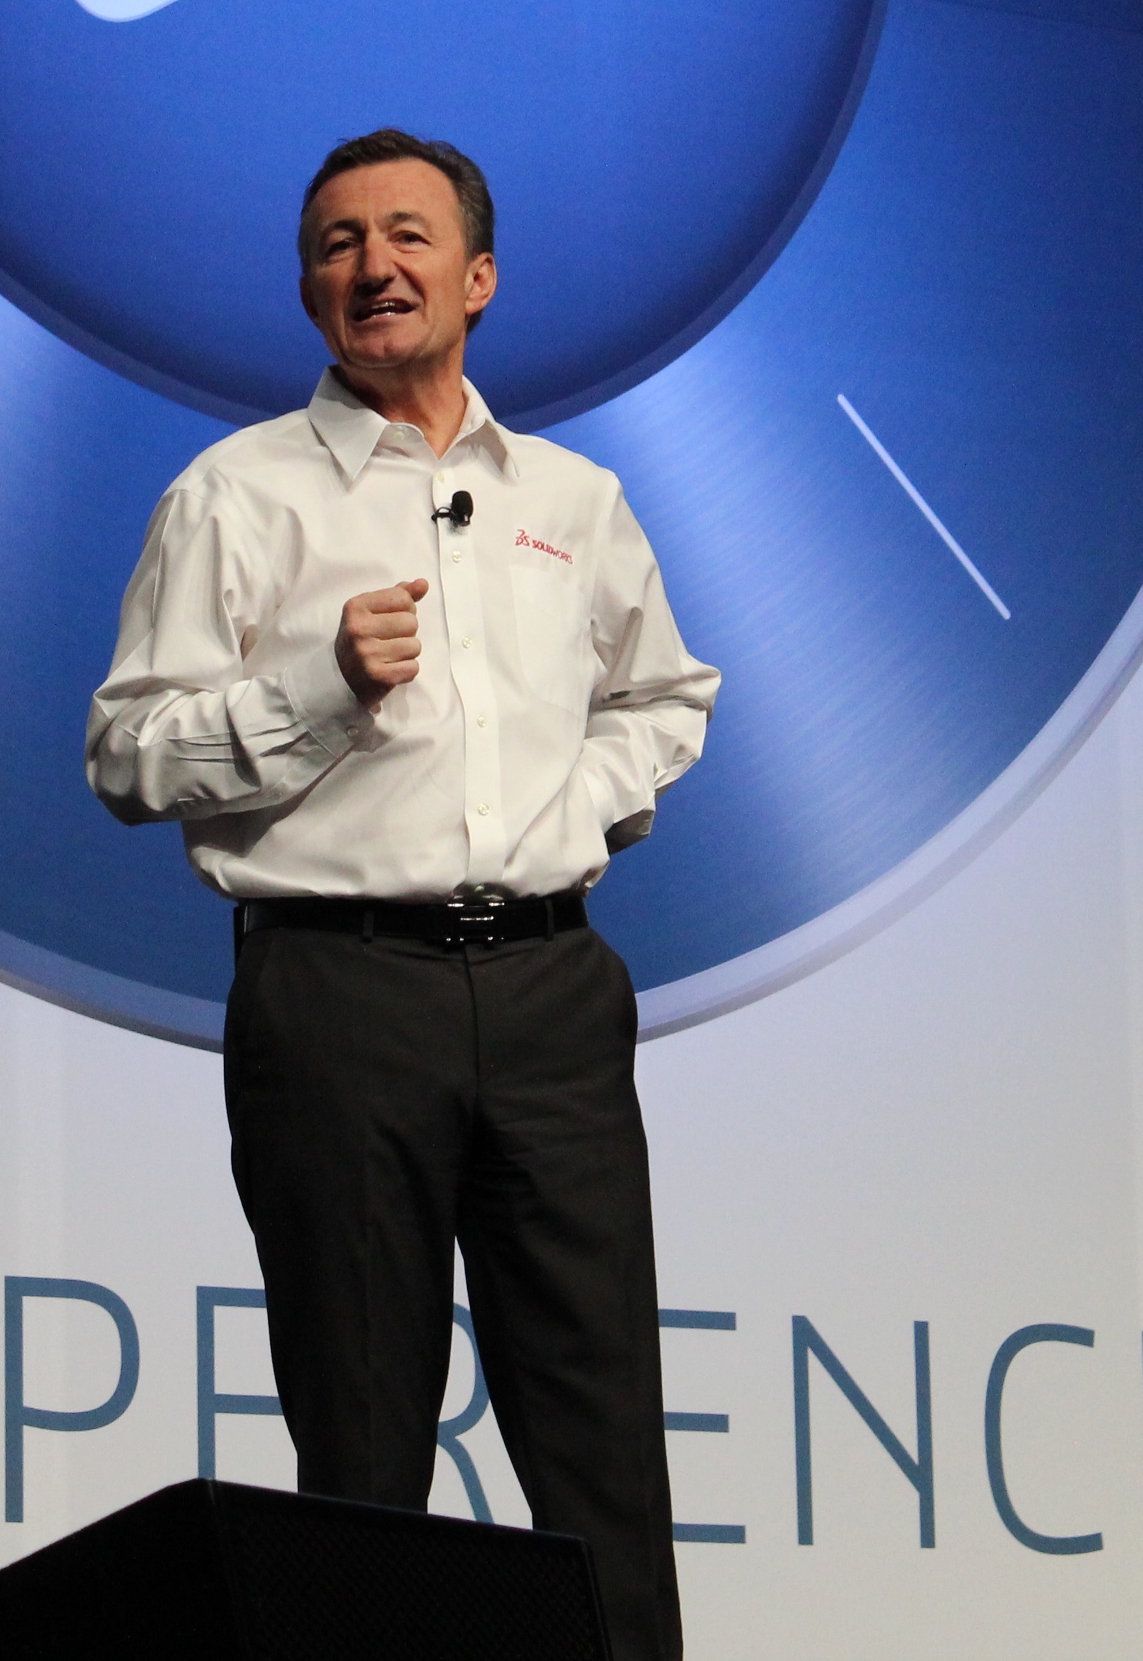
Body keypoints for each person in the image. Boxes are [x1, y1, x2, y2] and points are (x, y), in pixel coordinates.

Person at [87, 128, 719, 1660]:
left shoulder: (572, 497)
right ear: (309, 290)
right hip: (340, 990)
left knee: (603, 1451)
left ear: (477, 277)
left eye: (408, 236)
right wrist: (314, 686)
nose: (373, 265)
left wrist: (574, 807)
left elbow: (665, 696)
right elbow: (127, 751)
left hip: (553, 994)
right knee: (363, 1452)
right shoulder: (236, 494)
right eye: (337, 243)